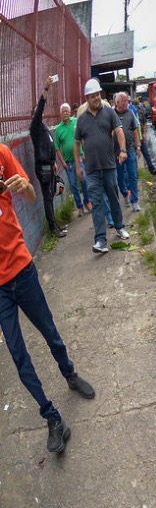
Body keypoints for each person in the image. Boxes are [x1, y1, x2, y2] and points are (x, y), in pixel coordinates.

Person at [0, 142, 96, 453]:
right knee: (18, 355)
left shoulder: (2, 153)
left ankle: (69, 372)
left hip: (21, 270)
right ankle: (51, 417)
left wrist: (24, 185)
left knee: (49, 332)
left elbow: (29, 195)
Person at [73, 78, 130, 254]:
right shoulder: (81, 119)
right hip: (91, 169)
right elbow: (76, 143)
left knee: (113, 197)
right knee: (97, 203)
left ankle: (119, 227)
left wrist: (123, 150)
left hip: (109, 165)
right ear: (87, 98)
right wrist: (77, 167)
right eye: (93, 96)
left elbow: (119, 130)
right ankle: (100, 240)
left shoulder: (109, 113)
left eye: (98, 94)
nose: (96, 98)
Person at [29, 76, 66, 237]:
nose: (41, 113)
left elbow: (49, 145)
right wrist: (46, 88)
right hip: (42, 168)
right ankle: (53, 229)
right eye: (37, 112)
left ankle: (55, 225)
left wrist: (53, 163)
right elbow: (41, 108)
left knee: (50, 196)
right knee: (47, 198)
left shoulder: (43, 128)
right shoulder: (35, 127)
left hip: (48, 166)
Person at [53, 102, 91, 217]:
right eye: (63, 111)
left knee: (84, 180)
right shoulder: (58, 129)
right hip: (68, 162)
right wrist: (62, 162)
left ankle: (87, 202)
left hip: (79, 159)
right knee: (73, 185)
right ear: (60, 114)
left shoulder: (76, 122)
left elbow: (84, 137)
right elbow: (57, 148)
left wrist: (84, 153)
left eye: (66, 111)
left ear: (70, 112)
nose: (65, 113)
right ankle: (79, 207)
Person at [113, 92, 141, 212]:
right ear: (117, 103)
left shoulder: (130, 113)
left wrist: (138, 147)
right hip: (116, 153)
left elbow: (135, 131)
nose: (126, 103)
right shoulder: (111, 114)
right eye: (124, 101)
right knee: (119, 178)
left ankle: (134, 200)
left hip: (130, 150)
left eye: (127, 100)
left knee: (133, 176)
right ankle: (125, 194)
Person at [133, 96, 156, 175]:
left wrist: (144, 133)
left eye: (137, 106)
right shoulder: (130, 113)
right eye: (135, 106)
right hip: (133, 139)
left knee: (146, 153)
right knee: (134, 157)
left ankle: (151, 169)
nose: (136, 107)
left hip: (141, 137)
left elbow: (144, 123)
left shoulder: (141, 112)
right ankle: (135, 172)